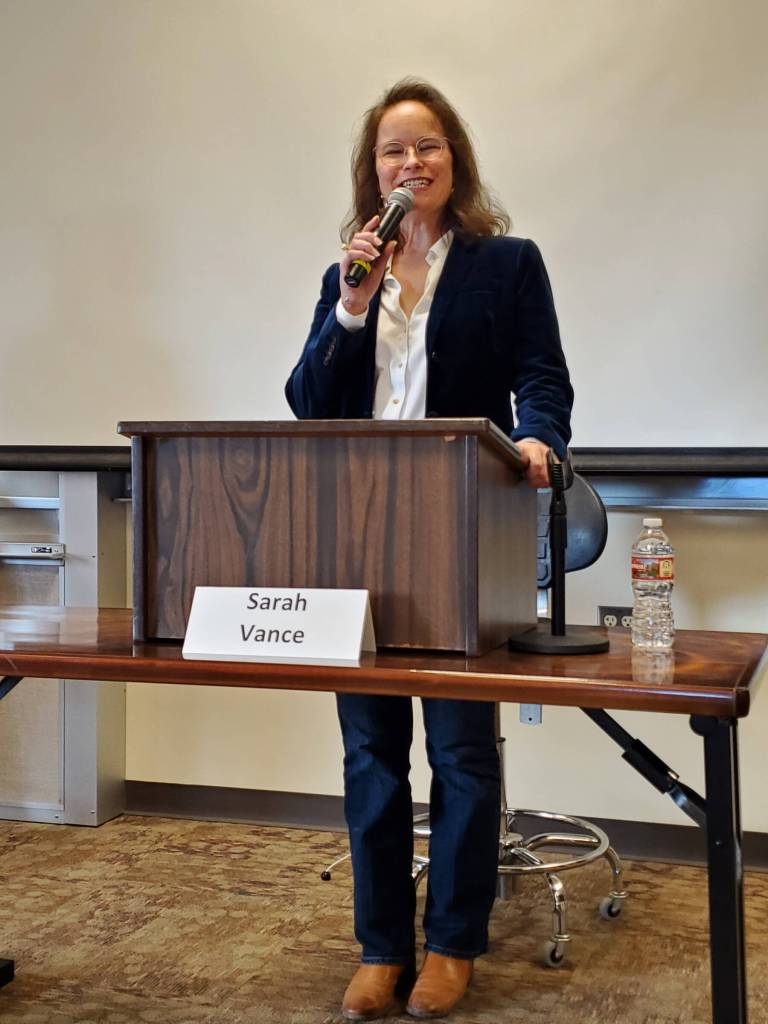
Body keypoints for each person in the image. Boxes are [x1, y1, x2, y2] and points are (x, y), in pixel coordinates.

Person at [285, 79, 573, 1021]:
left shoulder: (506, 263)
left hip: (460, 530)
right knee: (370, 753)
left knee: (460, 751)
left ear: (456, 160)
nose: (411, 164)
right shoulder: (350, 277)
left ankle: (451, 943)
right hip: (357, 535)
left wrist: (539, 440)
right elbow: (306, 403)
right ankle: (380, 945)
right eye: (392, 152)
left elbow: (542, 378)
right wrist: (351, 311)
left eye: (428, 147)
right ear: (372, 172)